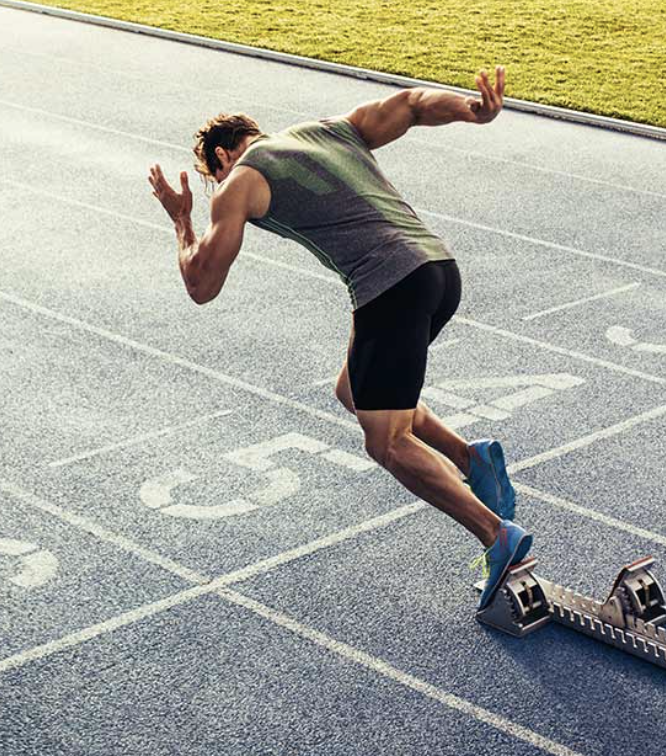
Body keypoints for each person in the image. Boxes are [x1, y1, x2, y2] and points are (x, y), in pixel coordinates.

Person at [147, 67, 530, 610]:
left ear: (221, 160)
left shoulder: (237, 184)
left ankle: (497, 536)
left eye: (214, 178)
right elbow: (413, 102)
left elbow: (201, 285)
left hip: (390, 287)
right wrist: (474, 110)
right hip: (439, 271)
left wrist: (183, 220)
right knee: (354, 392)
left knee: (387, 442)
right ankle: (473, 460)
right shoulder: (327, 130)